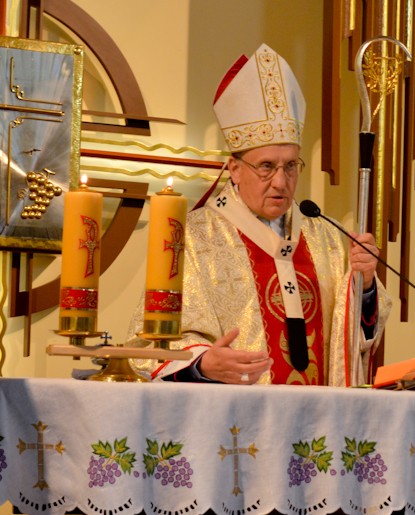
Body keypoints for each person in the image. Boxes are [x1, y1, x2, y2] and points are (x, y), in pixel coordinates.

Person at [128, 43, 391, 387]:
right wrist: (202, 363)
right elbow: (152, 344)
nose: (281, 181)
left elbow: (357, 340)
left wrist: (365, 285)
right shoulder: (191, 237)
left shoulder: (326, 236)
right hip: (237, 414)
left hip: (322, 414)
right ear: (234, 169)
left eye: (291, 166)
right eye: (266, 166)